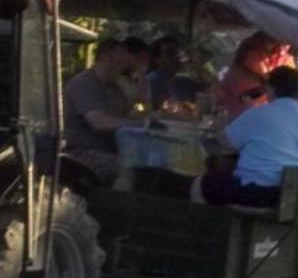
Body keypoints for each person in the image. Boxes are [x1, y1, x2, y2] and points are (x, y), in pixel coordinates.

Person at [200, 65, 298, 207]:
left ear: (270, 88)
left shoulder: (256, 113)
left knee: (201, 184)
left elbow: (227, 142)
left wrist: (218, 125)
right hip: (291, 197)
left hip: (254, 191)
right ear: (297, 90)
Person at [63, 39, 133, 184]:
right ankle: (111, 206)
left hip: (109, 150)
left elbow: (129, 114)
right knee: (127, 169)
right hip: (80, 152)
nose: (122, 70)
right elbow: (99, 122)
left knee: (148, 166)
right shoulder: (84, 83)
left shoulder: (115, 87)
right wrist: (141, 124)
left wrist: (155, 117)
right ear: (104, 58)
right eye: (119, 63)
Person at [213, 31, 295, 122]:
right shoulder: (250, 47)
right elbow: (238, 70)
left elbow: (286, 86)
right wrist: (263, 82)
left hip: (264, 114)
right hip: (237, 108)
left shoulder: (287, 56)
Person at [146, 34, 204, 114]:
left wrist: (199, 67)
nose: (177, 56)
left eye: (178, 52)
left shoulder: (185, 82)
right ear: (157, 59)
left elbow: (211, 96)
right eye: (171, 52)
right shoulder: (151, 81)